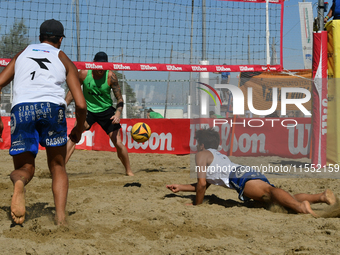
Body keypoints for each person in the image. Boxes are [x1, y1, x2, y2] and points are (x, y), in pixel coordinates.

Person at [0, 19, 87, 225]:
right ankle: (60, 219)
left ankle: (20, 182)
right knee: (57, 167)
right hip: (52, 108)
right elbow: (81, 105)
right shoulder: (62, 57)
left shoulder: (22, 53)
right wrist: (79, 129)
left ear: (39, 38)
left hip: (22, 109)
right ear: (60, 40)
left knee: (26, 167)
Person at [166, 128, 336, 217]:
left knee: (270, 194)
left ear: (202, 144)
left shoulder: (201, 154)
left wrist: (197, 205)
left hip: (238, 177)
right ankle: (319, 197)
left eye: (197, 143)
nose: (196, 146)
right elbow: (204, 184)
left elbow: (202, 184)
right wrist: (181, 187)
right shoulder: (216, 155)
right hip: (242, 172)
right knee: (272, 200)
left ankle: (302, 207)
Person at [65, 51, 134, 176]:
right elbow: (72, 92)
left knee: (117, 143)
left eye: (103, 66)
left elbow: (120, 99)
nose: (101, 69)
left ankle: (128, 171)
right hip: (88, 111)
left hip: (107, 111)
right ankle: (60, 168)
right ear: (93, 64)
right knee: (74, 135)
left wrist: (118, 114)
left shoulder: (111, 76)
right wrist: (64, 105)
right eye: (98, 65)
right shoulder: (84, 74)